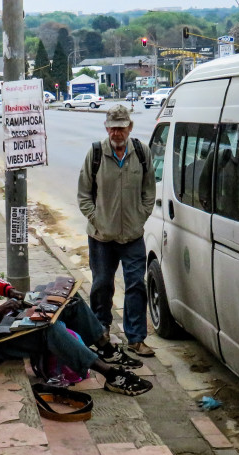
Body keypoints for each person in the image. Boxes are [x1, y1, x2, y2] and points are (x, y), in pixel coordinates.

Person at [0, 227, 153, 397]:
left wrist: (12, 292)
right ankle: (111, 375)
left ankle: (107, 349)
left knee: (66, 299)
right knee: (48, 328)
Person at [78, 104, 156, 358]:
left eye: (121, 127)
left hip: (132, 236)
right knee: (102, 285)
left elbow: (149, 192)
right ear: (106, 127)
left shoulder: (142, 153)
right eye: (112, 127)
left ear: (129, 127)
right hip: (101, 237)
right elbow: (83, 194)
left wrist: (140, 218)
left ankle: (136, 339)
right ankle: (100, 333)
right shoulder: (96, 152)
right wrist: (96, 219)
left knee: (136, 285)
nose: (116, 132)